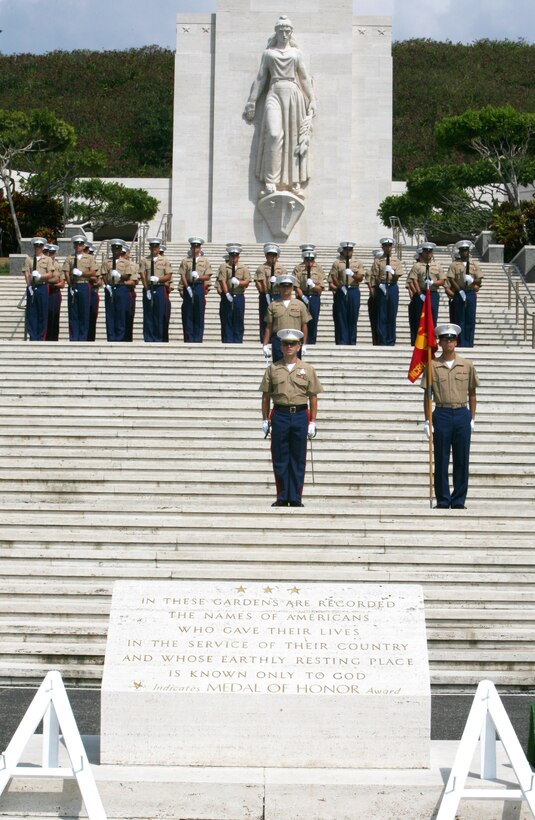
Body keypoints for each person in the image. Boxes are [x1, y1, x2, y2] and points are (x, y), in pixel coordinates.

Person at [244, 15, 316, 195]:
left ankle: (294, 182)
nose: (284, 34)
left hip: (293, 94)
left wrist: (312, 99)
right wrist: (252, 101)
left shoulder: (296, 54)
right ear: (276, 32)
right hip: (274, 92)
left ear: (291, 33)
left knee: (293, 139)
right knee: (274, 134)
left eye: (287, 31)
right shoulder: (269, 54)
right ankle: (271, 180)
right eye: (281, 30)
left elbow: (305, 78)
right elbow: (261, 78)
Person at [260, 328, 323, 507]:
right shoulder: (273, 369)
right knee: (280, 457)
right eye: (286, 344)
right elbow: (266, 396)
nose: (289, 347)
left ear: (299, 346)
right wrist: (265, 419)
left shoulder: (308, 369)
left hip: (300, 415)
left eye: (293, 344)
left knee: (298, 457)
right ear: (280, 347)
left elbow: (313, 397)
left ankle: (295, 496)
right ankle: (282, 496)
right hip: (279, 414)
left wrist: (313, 421)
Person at [422, 322, 480, 510]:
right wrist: (427, 420)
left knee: (462, 459)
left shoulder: (467, 365)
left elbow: (472, 392)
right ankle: (443, 499)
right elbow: (427, 394)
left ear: (456, 342)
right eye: (445, 339)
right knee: (441, 458)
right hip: (442, 413)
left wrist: (472, 418)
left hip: (461, 412)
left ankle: (458, 500)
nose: (448, 342)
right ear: (439, 342)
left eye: (452, 339)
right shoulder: (432, 365)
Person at [263, 274, 310, 362]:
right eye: (283, 286)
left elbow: (304, 325)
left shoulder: (300, 305)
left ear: (292, 288)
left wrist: (304, 344)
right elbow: (268, 327)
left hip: (294, 340)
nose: (286, 289)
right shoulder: (273, 305)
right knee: (278, 368)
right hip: (278, 341)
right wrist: (265, 345)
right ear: (279, 288)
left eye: (288, 287)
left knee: (294, 368)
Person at [406, 241, 445, 344]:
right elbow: (413, 280)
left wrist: (434, 282)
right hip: (421, 293)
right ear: (422, 253)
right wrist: (419, 294)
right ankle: (420, 341)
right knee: (420, 319)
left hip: (433, 293)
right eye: (426, 251)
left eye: (430, 252)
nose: (428, 254)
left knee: (433, 317)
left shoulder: (437, 265)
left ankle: (431, 341)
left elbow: (443, 280)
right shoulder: (417, 266)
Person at [446, 240, 483, 347]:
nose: (464, 253)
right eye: (462, 251)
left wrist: (472, 280)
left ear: (468, 252)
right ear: (460, 252)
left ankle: (469, 343)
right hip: (460, 292)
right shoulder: (454, 265)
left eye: (466, 251)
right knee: (460, 318)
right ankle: (461, 343)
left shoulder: (474, 265)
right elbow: (451, 279)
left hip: (470, 292)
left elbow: (479, 280)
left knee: (470, 318)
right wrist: (459, 290)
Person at [369, 237, 404, 346]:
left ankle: (391, 340)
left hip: (392, 286)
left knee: (392, 314)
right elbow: (375, 275)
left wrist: (392, 272)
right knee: (382, 314)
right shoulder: (378, 261)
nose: (388, 248)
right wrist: (380, 286)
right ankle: (382, 340)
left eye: (389, 246)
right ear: (383, 247)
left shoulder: (396, 261)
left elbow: (397, 277)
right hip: (382, 286)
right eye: (385, 246)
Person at [328, 241, 365, 345]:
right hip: (342, 289)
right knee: (341, 316)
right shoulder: (337, 262)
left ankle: (352, 341)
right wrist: (340, 287)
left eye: (349, 250)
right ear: (343, 251)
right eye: (345, 250)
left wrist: (352, 274)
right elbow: (333, 276)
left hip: (353, 290)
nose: (347, 252)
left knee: (353, 316)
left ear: (352, 250)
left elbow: (361, 278)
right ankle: (342, 341)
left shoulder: (358, 262)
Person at [139, 238, 173, 342]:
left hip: (160, 287)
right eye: (152, 247)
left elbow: (169, 275)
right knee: (148, 313)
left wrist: (159, 279)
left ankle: (159, 337)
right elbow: (142, 275)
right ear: (149, 248)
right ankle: (149, 337)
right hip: (149, 288)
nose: (154, 249)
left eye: (156, 247)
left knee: (159, 313)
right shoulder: (144, 260)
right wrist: (146, 289)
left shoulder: (165, 260)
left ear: (159, 248)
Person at [179, 237, 212, 343]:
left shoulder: (205, 261)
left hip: (199, 286)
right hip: (188, 285)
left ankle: (198, 338)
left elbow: (207, 276)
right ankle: (189, 338)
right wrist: (186, 287)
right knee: (188, 313)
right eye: (193, 246)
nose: (195, 249)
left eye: (197, 247)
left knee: (199, 313)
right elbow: (183, 275)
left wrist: (198, 277)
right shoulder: (185, 261)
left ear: (200, 248)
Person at [217, 244, 251, 343]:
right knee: (226, 319)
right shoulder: (224, 266)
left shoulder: (243, 268)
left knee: (239, 319)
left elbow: (247, 282)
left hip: (239, 295)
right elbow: (222, 280)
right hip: (227, 295)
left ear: (238, 257)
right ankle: (227, 341)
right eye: (232, 256)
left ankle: (238, 341)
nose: (233, 258)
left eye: (235, 256)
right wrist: (226, 293)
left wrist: (239, 282)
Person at [293, 247, 325, 345]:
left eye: (311, 260)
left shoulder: (318, 270)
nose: (309, 262)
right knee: (300, 321)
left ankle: (312, 342)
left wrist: (313, 286)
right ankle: (301, 342)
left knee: (313, 320)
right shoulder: (299, 270)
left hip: (314, 297)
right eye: (307, 260)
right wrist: (302, 296)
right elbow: (295, 285)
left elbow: (321, 288)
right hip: (302, 297)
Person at [23, 236, 53, 341]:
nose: (37, 248)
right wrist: (28, 286)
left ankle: (40, 336)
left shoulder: (48, 259)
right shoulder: (29, 259)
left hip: (42, 286)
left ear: (43, 247)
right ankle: (33, 336)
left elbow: (50, 274)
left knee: (42, 312)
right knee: (32, 313)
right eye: (36, 246)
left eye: (39, 246)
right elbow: (26, 273)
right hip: (32, 287)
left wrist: (40, 276)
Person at [254, 243, 286, 342]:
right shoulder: (261, 268)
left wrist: (277, 281)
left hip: (278, 295)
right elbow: (258, 282)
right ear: (266, 256)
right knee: (265, 318)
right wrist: (264, 292)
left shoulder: (281, 269)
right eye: (270, 255)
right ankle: (264, 339)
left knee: (278, 318)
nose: (272, 257)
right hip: (265, 295)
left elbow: (286, 283)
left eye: (274, 255)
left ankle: (277, 340)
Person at [43, 243, 65, 341]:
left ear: (55, 253)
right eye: (47, 252)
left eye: (51, 253)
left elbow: (60, 282)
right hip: (44, 291)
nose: (49, 255)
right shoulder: (43, 263)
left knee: (53, 316)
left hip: (53, 292)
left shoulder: (57, 265)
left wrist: (43, 280)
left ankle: (53, 338)